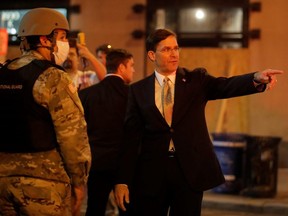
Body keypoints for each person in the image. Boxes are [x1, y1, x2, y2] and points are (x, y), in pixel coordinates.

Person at [114, 28, 283, 216]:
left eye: (176, 48)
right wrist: (122, 180)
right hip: (152, 172)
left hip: (189, 171)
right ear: (152, 55)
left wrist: (255, 78)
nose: (174, 54)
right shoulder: (138, 91)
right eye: (167, 49)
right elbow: (130, 138)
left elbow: (225, 86)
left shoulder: (196, 80)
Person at [0, 8, 91, 216]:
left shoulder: (3, 73)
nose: (65, 44)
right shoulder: (53, 77)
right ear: (44, 39)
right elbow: (73, 137)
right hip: (43, 187)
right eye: (61, 37)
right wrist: (79, 182)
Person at [79, 48, 135, 216]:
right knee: (126, 207)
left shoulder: (87, 94)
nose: (133, 70)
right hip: (124, 165)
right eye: (131, 65)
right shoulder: (132, 95)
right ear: (121, 67)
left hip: (97, 162)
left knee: (95, 207)